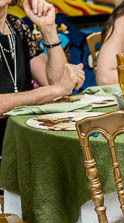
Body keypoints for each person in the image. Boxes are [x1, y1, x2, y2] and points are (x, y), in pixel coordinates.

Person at [0, 0, 84, 143]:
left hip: (23, 139)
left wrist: (48, 29)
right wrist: (54, 90)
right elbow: (56, 88)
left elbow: (57, 82)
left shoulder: (17, 26)